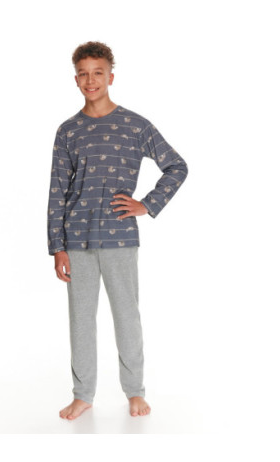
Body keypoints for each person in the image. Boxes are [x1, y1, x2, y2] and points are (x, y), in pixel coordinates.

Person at [47, 41, 188, 420]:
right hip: (76, 240)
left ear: (111, 76)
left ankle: (135, 391)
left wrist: (148, 204)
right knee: (81, 321)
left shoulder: (135, 125)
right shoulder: (68, 130)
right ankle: (83, 395)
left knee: (127, 316)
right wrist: (57, 246)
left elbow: (176, 166)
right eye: (83, 73)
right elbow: (57, 190)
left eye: (98, 72)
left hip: (120, 237)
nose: (90, 80)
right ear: (76, 79)